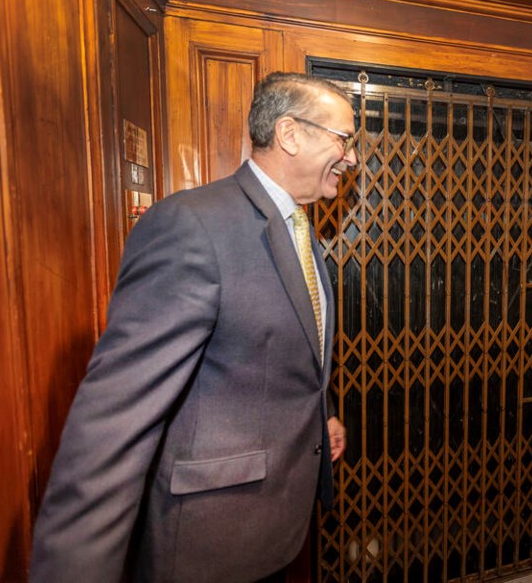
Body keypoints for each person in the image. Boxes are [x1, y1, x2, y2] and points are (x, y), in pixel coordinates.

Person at [30, 72, 358, 582]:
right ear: (291, 134)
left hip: (273, 529)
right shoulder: (192, 226)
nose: (352, 157)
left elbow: (286, 349)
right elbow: (114, 424)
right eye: (344, 139)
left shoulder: (300, 230)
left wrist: (323, 412)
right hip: (210, 542)